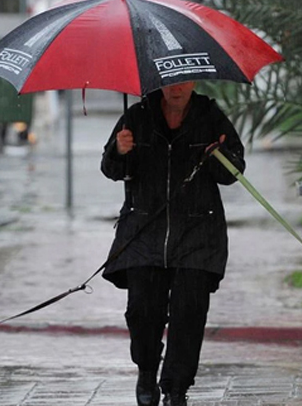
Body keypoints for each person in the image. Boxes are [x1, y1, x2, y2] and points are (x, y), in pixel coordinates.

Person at [100, 81, 245, 406]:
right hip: (144, 232)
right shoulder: (136, 116)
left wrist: (217, 155)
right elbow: (110, 169)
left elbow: (234, 172)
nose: (176, 89)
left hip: (197, 233)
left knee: (189, 312)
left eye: (183, 82)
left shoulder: (211, 117)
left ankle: (176, 389)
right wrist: (120, 151)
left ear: (194, 82)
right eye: (169, 83)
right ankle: (147, 370)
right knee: (142, 311)